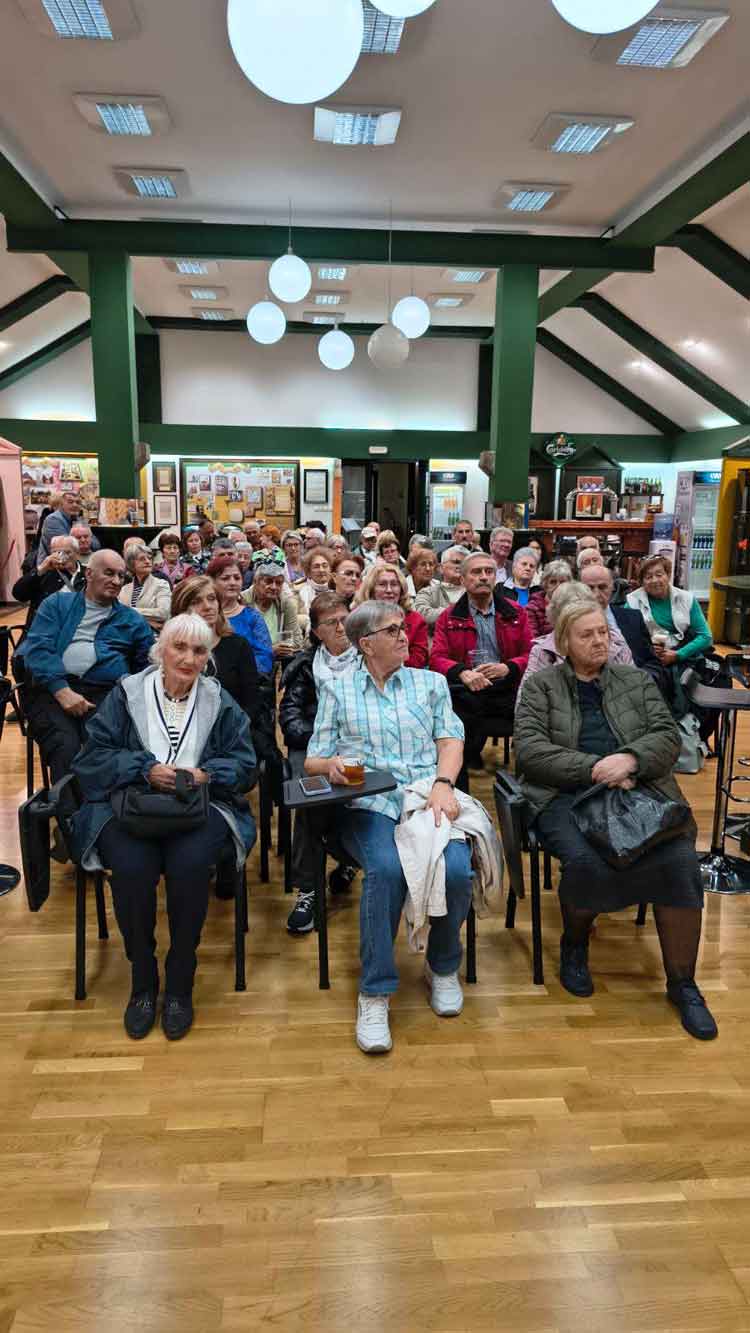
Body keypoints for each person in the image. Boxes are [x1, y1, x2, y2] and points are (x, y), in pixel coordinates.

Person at [514, 597, 717, 1041]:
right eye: (586, 635)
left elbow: (666, 736)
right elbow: (529, 751)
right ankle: (575, 943)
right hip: (566, 795)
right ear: (564, 642)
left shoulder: (634, 680)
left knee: (681, 862)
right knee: (587, 861)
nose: (599, 641)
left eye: (603, 633)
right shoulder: (542, 686)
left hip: (637, 787)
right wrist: (596, 769)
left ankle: (683, 984)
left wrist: (630, 760)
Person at [70, 614, 257, 1041]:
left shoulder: (220, 700)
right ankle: (142, 977)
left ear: (208, 658)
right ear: (161, 649)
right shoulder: (127, 693)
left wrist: (207, 774)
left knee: (190, 867)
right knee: (131, 870)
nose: (188, 659)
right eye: (180, 647)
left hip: (199, 806)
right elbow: (93, 757)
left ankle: (179, 978)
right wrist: (145, 769)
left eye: (199, 651)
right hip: (132, 804)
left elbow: (245, 763)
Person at [305, 599, 473, 1054]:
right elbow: (313, 759)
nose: (405, 635)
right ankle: (375, 992)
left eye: (404, 628)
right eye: (393, 630)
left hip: (424, 796)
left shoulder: (430, 683)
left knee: (457, 869)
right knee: (386, 869)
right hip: (368, 803)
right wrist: (331, 766)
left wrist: (443, 784)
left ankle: (442, 966)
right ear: (366, 644)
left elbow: (451, 741)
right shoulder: (339, 689)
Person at [15, 550, 153, 782]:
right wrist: (62, 691)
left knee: (100, 744)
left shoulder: (132, 620)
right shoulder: (57, 604)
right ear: (88, 574)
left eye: (121, 576)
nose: (116, 581)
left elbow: (146, 664)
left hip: (105, 694)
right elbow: (38, 648)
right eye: (109, 573)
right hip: (51, 690)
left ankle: (100, 804)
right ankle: (67, 805)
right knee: (65, 745)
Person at [279, 592, 360, 934]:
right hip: (314, 745)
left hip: (358, 742)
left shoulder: (367, 657)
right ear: (316, 632)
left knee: (360, 790)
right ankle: (308, 888)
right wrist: (319, 743)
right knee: (310, 797)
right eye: (331, 623)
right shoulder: (305, 665)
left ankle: (348, 859)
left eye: (345, 620)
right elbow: (290, 714)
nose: (341, 628)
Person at [430, 551, 531, 768]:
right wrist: (463, 673)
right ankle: (464, 764)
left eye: (489, 571)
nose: (484, 577)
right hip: (468, 690)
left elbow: (530, 654)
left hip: (508, 687)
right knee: (460, 710)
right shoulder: (449, 617)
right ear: (462, 579)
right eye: (476, 572)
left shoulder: (516, 613)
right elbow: (437, 658)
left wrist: (508, 667)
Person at [517, 582, 632, 703]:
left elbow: (634, 694)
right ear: (557, 617)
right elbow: (525, 703)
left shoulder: (615, 642)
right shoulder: (544, 650)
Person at [627, 554, 713, 670]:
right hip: (647, 660)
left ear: (668, 575)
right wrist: (646, 648)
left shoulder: (687, 599)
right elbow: (624, 636)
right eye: (648, 577)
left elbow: (706, 637)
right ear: (642, 582)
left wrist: (678, 655)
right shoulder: (632, 601)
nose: (655, 580)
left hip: (682, 656)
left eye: (659, 575)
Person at [580, 563, 663, 685]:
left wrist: (640, 681)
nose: (596, 594)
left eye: (602, 587)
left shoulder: (633, 618)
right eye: (589, 588)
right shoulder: (571, 623)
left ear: (612, 588)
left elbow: (652, 662)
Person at [208, 554, 273, 674]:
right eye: (225, 578)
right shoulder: (205, 616)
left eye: (237, 578)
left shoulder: (253, 617)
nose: (232, 582)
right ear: (212, 582)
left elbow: (265, 659)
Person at [357, 563, 428, 668]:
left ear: (401, 589)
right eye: (382, 584)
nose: (389, 590)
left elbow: (418, 658)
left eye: (394, 584)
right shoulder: (359, 618)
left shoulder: (415, 619)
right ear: (371, 590)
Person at [12, 534, 86, 633]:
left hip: (79, 629)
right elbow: (18, 594)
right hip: (45, 630)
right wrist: (41, 569)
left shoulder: (88, 575)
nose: (61, 556)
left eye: (67, 552)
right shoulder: (44, 574)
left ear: (77, 553)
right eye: (56, 553)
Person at [243, 552, 303, 659]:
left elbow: (297, 642)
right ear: (256, 582)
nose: (274, 587)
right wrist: (270, 650)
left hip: (278, 662)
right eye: (268, 581)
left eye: (279, 583)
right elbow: (239, 647)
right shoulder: (243, 602)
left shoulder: (285, 603)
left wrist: (281, 649)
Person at [36, 491, 100, 566]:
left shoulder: (79, 519)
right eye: (70, 502)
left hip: (76, 563)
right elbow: (64, 549)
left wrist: (80, 541)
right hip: (53, 567)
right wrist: (86, 541)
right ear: (61, 505)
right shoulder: (53, 519)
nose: (75, 505)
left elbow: (96, 545)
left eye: (78, 502)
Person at [118, 545, 172, 632]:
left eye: (149, 558)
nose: (147, 561)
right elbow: (118, 614)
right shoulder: (124, 589)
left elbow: (163, 613)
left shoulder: (161, 584)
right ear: (131, 563)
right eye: (142, 559)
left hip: (153, 635)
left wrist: (129, 611)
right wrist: (150, 621)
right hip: (126, 634)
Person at [414, 545, 468, 628]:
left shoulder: (474, 592)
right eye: (456, 562)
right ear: (441, 568)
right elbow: (421, 615)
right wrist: (457, 611)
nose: (460, 566)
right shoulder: (428, 593)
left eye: (464, 563)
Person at [525, 559, 573, 639]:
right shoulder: (532, 608)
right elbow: (533, 640)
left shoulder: (574, 605)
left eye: (562, 582)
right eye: (553, 582)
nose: (558, 586)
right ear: (545, 584)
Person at [295, 547, 333, 622]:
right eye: (316, 567)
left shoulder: (338, 589)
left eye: (325, 566)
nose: (321, 570)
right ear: (308, 572)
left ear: (330, 569)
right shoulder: (298, 591)